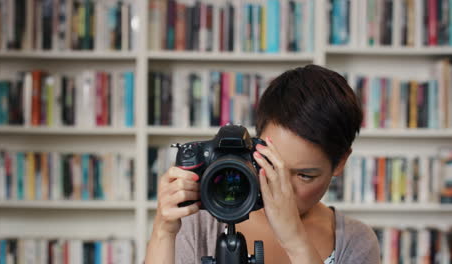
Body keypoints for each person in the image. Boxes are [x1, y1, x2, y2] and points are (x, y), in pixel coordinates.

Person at [145, 65, 381, 264]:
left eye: (305, 176)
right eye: (271, 163)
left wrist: (294, 239)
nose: (282, 189)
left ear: (339, 163)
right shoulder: (200, 223)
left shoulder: (355, 241)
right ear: (255, 146)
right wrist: (162, 232)